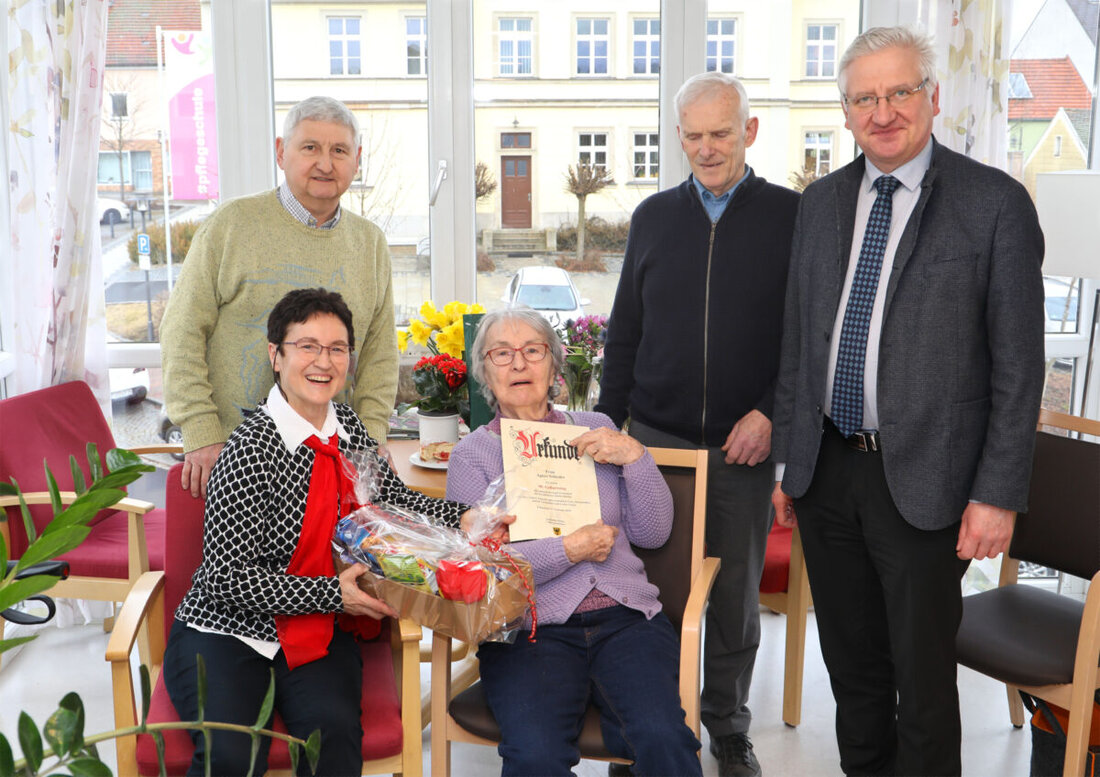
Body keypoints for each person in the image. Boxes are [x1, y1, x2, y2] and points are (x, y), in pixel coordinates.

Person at [770, 26, 1045, 777]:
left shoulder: (994, 205)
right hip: (827, 472)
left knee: (922, 688)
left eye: (898, 92)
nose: (882, 111)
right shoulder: (819, 202)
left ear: (932, 97)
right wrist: (790, 459)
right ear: (847, 111)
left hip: (929, 484)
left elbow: (1020, 370)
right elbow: (800, 339)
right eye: (865, 97)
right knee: (852, 675)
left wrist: (997, 493)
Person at [163, 288, 469, 777]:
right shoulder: (250, 448)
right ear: (275, 355)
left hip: (317, 625)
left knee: (334, 740)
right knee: (232, 756)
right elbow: (225, 579)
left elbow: (389, 502)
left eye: (337, 348)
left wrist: (463, 516)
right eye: (307, 346)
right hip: (227, 630)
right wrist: (333, 593)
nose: (323, 361)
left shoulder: (347, 427)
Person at [596, 70, 799, 777]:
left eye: (722, 132)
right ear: (677, 136)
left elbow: (808, 337)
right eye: (694, 135)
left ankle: (729, 727)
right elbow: (625, 332)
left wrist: (773, 412)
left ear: (749, 131)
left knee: (737, 601)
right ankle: (646, 721)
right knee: (647, 592)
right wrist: (603, 424)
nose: (707, 148)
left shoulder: (789, 216)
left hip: (741, 451)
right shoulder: (653, 216)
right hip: (650, 443)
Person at [446, 307, 703, 777]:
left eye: (532, 350)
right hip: (528, 629)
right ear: (485, 371)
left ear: (554, 364)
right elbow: (484, 569)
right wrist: (571, 549)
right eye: (502, 353)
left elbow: (653, 532)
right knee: (536, 755)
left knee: (663, 738)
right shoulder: (470, 456)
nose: (519, 364)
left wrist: (636, 456)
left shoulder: (596, 426)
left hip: (627, 621)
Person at [161, 96, 398, 499]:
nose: (325, 163)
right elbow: (181, 331)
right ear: (280, 152)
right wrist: (201, 431)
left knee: (331, 565)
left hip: (326, 463)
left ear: (356, 160)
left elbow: (379, 354)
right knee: (236, 563)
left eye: (339, 151)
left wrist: (370, 440)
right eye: (310, 148)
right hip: (229, 457)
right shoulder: (231, 225)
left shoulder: (370, 243)